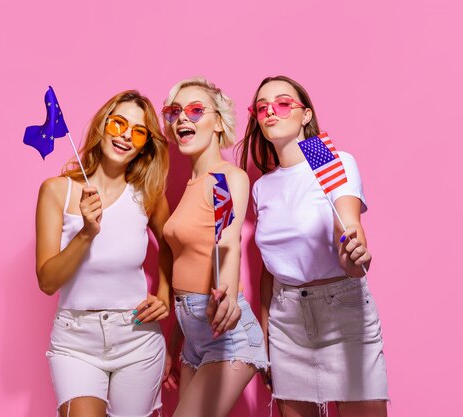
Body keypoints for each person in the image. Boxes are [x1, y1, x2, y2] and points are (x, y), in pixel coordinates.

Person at [239, 75, 389, 417]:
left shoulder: (330, 161)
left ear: (306, 114)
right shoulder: (262, 186)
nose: (270, 112)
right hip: (286, 321)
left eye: (282, 103)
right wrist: (264, 338)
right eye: (261, 107)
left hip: (343, 312)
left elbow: (348, 227)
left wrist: (354, 254)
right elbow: (268, 270)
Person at [35, 90, 172, 417]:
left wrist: (165, 293)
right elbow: (47, 281)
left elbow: (169, 246)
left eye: (138, 131)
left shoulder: (147, 195)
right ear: (102, 126)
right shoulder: (57, 190)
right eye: (118, 124)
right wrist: (86, 232)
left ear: (144, 145)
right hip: (76, 342)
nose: (126, 135)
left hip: (137, 338)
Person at [160, 77, 268, 417]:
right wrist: (175, 345)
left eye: (195, 110)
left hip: (228, 331)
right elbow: (189, 270)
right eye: (174, 111)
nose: (182, 119)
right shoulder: (191, 185)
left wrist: (228, 291)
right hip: (193, 338)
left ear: (218, 122)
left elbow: (228, 239)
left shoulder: (227, 178)